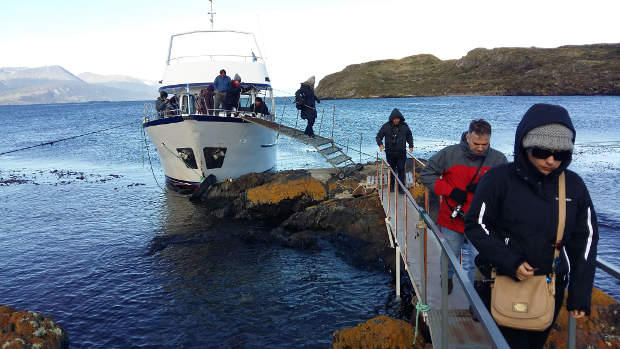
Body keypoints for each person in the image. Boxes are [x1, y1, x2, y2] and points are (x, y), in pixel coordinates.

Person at [465, 104, 598, 349]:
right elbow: (475, 224)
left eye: (560, 154)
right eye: (541, 151)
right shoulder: (497, 180)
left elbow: (586, 239)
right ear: (524, 145)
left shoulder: (574, 186)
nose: (550, 160)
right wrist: (510, 261)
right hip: (500, 281)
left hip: (550, 287)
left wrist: (580, 293)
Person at [419, 119, 507, 293]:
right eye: (476, 143)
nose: (481, 148)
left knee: (479, 260)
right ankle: (447, 278)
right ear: (467, 137)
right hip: (452, 219)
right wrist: (450, 191)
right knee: (449, 256)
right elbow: (426, 174)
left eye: (485, 144)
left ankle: (476, 299)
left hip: (482, 223)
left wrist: (485, 187)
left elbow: (507, 188)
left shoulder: (498, 159)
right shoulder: (449, 154)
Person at [375, 108, 413, 193]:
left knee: (401, 170)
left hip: (401, 153)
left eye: (398, 119)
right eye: (395, 119)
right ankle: (391, 187)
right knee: (391, 170)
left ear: (400, 118)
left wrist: (411, 146)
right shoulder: (386, 126)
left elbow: (409, 136)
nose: (396, 120)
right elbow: (378, 136)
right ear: (392, 119)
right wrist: (380, 144)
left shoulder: (405, 126)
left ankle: (401, 188)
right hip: (390, 153)